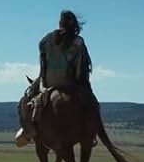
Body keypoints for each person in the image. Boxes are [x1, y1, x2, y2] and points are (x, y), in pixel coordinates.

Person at [18, 10, 98, 141]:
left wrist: (43, 79)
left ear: (60, 23)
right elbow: (82, 70)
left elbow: (43, 66)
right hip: (72, 84)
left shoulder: (45, 40)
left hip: (48, 82)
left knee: (26, 99)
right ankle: (92, 133)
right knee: (91, 103)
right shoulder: (78, 42)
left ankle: (28, 131)